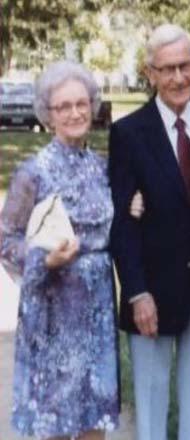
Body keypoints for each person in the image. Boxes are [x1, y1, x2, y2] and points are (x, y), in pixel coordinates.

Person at [108, 24, 190, 440]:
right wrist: (137, 291)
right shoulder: (128, 134)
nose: (179, 78)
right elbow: (122, 223)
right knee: (151, 395)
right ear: (150, 74)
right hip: (152, 293)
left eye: (186, 66)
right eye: (168, 69)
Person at [0, 60, 119, 440]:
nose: (75, 113)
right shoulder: (32, 172)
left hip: (96, 309)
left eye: (81, 103)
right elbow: (6, 241)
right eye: (63, 107)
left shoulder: (102, 169)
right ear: (48, 116)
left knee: (92, 418)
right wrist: (43, 259)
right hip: (51, 310)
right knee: (53, 419)